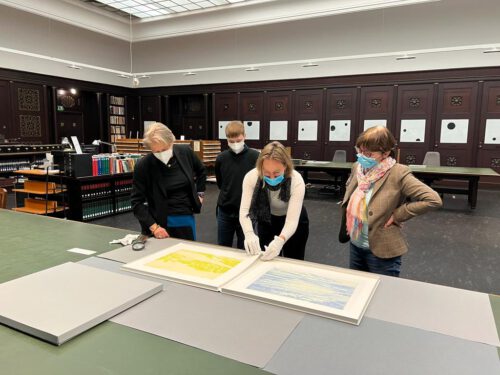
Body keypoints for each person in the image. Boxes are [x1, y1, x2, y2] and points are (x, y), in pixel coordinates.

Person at [340, 126, 442, 277]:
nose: (362, 156)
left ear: (385, 153)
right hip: (356, 244)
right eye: (360, 151)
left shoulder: (398, 173)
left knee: (383, 294)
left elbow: (433, 199)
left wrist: (397, 215)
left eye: (369, 153)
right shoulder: (358, 168)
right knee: (358, 290)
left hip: (381, 250)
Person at [131, 122, 206, 241]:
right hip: (159, 222)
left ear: (171, 141)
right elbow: (137, 203)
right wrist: (154, 228)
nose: (161, 154)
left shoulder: (185, 152)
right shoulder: (143, 166)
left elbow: (201, 171)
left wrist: (200, 194)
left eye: (165, 149)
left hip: (185, 217)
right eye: (156, 152)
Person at [240, 141, 309, 261]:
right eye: (266, 173)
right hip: (267, 218)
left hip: (294, 221)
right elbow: (244, 211)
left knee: (293, 261)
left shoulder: (296, 181)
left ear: (286, 167)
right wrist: (249, 233)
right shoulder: (251, 177)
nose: (271, 178)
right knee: (265, 258)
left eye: (276, 174)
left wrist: (280, 240)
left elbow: (291, 221)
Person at [215, 121, 259, 249]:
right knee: (223, 247)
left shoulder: (255, 157)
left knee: (246, 248)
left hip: (247, 212)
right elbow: (221, 183)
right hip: (225, 210)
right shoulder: (221, 158)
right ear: (227, 139)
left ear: (244, 136)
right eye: (231, 141)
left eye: (238, 140)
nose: (235, 144)